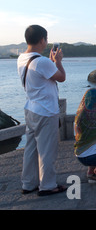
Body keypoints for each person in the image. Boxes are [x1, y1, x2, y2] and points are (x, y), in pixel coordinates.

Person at [17, 25, 67, 196]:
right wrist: (58, 61)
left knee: (31, 149)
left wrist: (52, 63)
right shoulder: (42, 62)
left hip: (30, 108)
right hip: (45, 111)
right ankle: (47, 185)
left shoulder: (22, 58)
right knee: (47, 150)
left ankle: (28, 183)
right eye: (46, 39)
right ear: (42, 40)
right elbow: (61, 77)